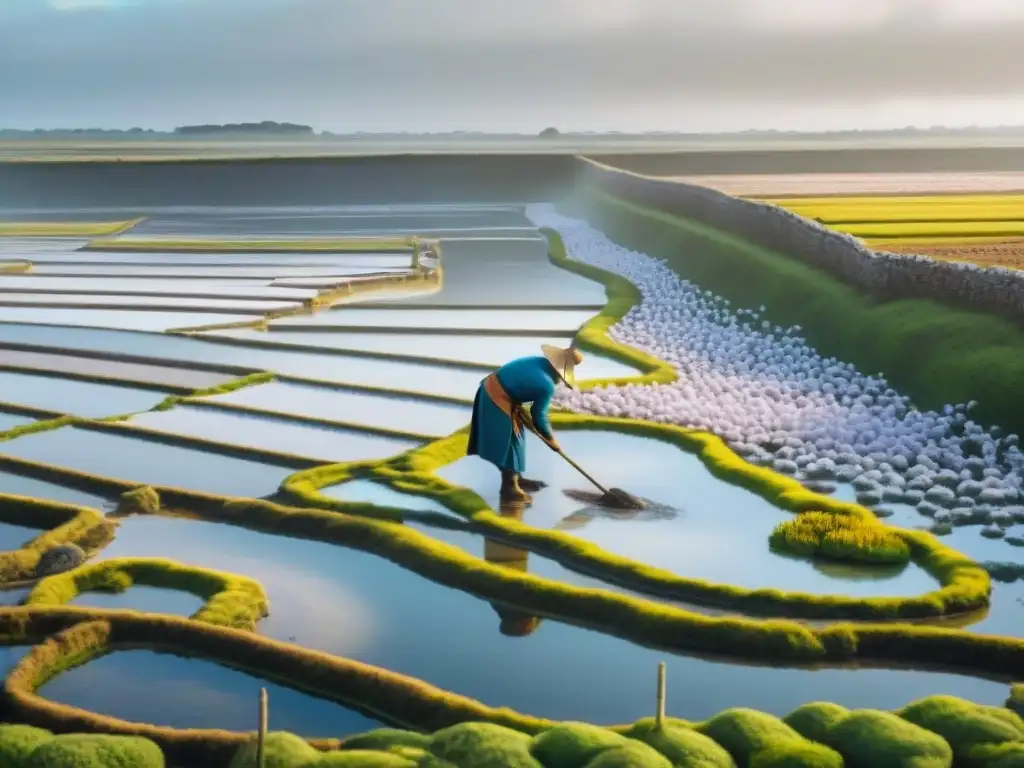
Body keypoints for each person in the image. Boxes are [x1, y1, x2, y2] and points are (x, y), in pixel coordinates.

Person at [466, 343, 584, 503]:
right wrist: (551, 439)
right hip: (494, 395)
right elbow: (539, 414)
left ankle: (516, 479)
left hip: (503, 393)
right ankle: (510, 488)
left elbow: (520, 383)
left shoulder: (539, 362)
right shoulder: (546, 385)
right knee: (509, 442)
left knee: (517, 439)